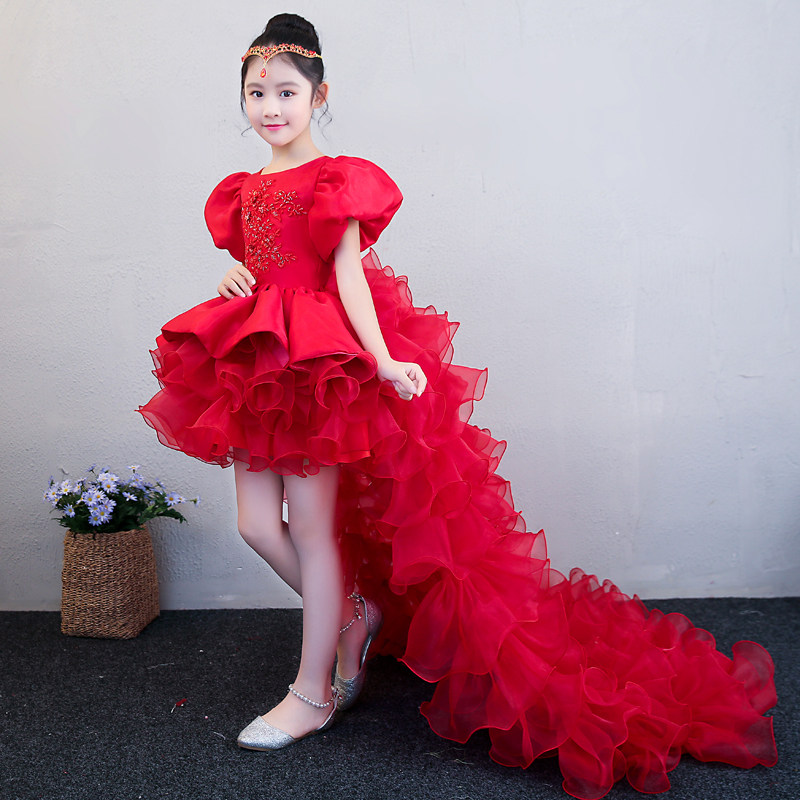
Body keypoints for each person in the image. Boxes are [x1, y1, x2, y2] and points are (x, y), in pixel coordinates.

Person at [139, 13, 777, 799]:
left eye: (287, 92)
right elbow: (261, 265)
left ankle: (311, 694)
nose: (271, 107)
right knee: (255, 525)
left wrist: (381, 359)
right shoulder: (243, 191)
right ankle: (353, 615)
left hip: (322, 366)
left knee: (309, 527)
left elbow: (345, 277)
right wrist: (233, 279)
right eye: (257, 93)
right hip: (259, 360)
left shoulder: (335, 180)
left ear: (319, 97)